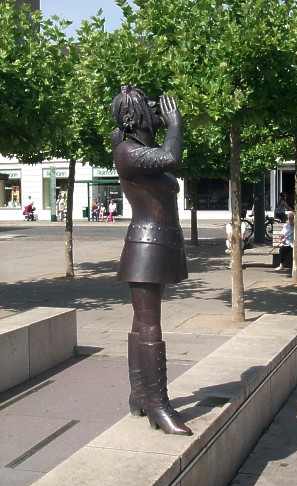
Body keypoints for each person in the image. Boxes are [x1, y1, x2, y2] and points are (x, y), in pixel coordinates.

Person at [111, 85, 191, 436]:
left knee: (140, 322)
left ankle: (140, 395)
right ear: (133, 115)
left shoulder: (141, 150)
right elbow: (171, 158)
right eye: (149, 107)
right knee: (149, 324)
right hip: (145, 244)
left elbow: (164, 160)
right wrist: (175, 125)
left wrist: (163, 120)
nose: (157, 110)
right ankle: (158, 404)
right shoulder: (127, 151)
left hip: (158, 243)